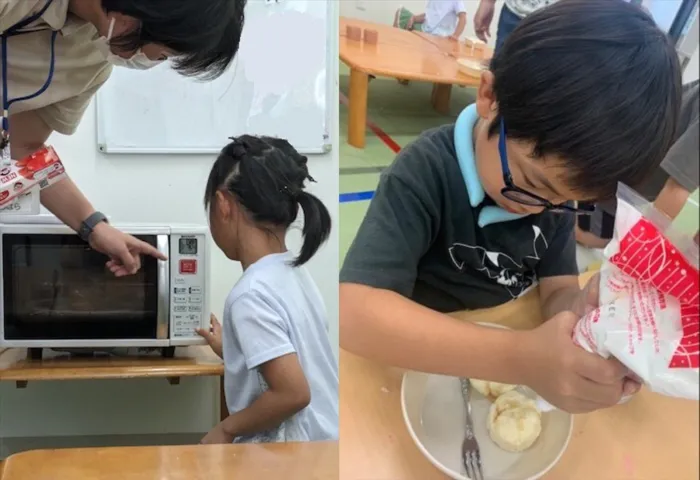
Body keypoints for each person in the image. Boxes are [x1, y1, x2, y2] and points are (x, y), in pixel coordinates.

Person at [340, 0, 682, 414]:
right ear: (489, 96)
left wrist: (579, 318)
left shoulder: (553, 197)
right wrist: (518, 357)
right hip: (414, 357)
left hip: (501, 347)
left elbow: (556, 286)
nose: (542, 210)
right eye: (531, 183)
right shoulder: (425, 172)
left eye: (566, 201)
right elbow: (354, 313)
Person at [2, 0, 245, 276]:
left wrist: (94, 226)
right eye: (164, 54)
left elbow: (26, 151)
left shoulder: (92, 62)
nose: (153, 60)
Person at [196, 135, 338, 444]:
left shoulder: (250, 295)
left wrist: (226, 429)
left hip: (288, 459)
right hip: (325, 447)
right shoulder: (293, 272)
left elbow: (293, 393)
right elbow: (294, 355)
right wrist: (231, 348)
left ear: (223, 205)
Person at [577, 80, 699, 249]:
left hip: (621, 170)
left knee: (601, 239)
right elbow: (676, 188)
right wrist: (640, 249)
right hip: (616, 179)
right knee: (592, 238)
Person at [394, 0, 467, 41]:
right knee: (400, 12)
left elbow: (463, 18)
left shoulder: (457, 1)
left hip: (440, 37)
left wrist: (455, 35)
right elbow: (428, 16)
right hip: (425, 30)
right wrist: (413, 18)